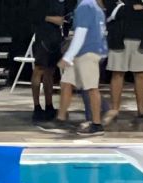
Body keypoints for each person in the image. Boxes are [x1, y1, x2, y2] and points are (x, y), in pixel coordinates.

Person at [55, 0, 107, 135]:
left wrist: (67, 57)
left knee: (91, 88)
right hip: (83, 52)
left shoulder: (86, 6)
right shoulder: (96, 7)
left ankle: (96, 124)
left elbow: (81, 33)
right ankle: (60, 119)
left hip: (87, 52)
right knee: (66, 82)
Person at [105, 0, 143, 124]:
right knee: (117, 73)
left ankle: (141, 109)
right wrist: (132, 8)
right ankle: (115, 109)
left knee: (140, 74)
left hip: (141, 38)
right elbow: (112, 13)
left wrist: (126, 10)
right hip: (118, 38)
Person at [31, 1, 66, 123]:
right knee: (39, 69)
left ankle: (49, 105)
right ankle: (36, 106)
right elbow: (34, 14)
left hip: (55, 38)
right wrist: (52, 19)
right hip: (43, 37)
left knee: (50, 71)